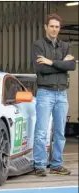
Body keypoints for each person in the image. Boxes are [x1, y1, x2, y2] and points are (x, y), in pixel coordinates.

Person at [32, 13, 76, 176]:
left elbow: (71, 66)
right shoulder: (38, 45)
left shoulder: (65, 46)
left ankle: (57, 165)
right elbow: (40, 69)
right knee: (42, 131)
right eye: (51, 26)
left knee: (59, 132)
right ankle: (40, 165)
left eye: (57, 27)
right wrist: (61, 64)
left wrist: (50, 62)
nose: (54, 29)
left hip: (62, 94)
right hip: (45, 93)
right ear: (46, 27)